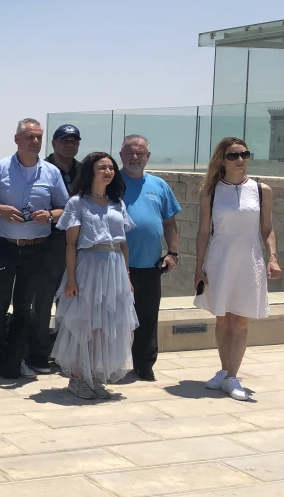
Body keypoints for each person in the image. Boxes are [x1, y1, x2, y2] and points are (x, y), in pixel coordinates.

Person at [0, 118, 69, 380]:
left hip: (35, 250)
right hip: (3, 247)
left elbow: (65, 208)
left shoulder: (51, 172)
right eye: (29, 137)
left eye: (39, 137)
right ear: (17, 139)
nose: (35, 142)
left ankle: (15, 358)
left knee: (23, 308)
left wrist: (50, 216)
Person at [194, 138, 281, 401]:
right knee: (223, 318)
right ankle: (224, 371)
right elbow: (203, 231)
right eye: (233, 155)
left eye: (244, 154)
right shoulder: (209, 191)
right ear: (222, 159)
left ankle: (233, 376)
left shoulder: (261, 189)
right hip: (220, 259)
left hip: (249, 259)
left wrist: (272, 257)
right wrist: (198, 266)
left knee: (241, 319)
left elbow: (266, 228)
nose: (240, 159)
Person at [53, 152, 138, 400]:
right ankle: (78, 377)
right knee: (85, 323)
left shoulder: (117, 203)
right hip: (88, 264)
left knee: (106, 325)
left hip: (114, 268)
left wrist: (127, 276)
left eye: (111, 168)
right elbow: (71, 244)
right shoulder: (77, 203)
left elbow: (123, 243)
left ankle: (95, 377)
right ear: (91, 171)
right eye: (102, 167)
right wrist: (71, 279)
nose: (108, 172)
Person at [119, 134, 181, 382]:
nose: (135, 157)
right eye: (130, 152)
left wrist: (173, 253)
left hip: (150, 265)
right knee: (116, 318)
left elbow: (170, 221)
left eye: (140, 153)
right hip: (116, 265)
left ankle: (144, 364)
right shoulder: (112, 182)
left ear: (147, 156)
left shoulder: (159, 185)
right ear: (121, 155)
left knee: (147, 318)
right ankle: (111, 363)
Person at [29, 124, 82, 374]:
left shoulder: (85, 171)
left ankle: (66, 355)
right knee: (43, 301)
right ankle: (39, 354)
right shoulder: (41, 169)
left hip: (79, 245)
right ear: (54, 143)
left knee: (71, 301)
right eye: (64, 140)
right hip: (47, 243)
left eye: (74, 141)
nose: (69, 145)